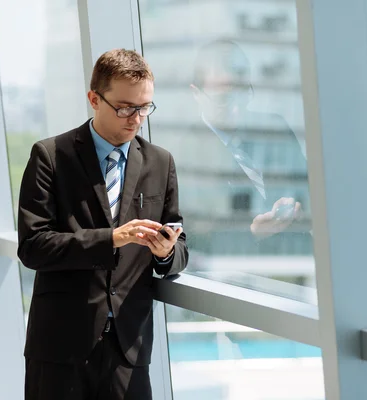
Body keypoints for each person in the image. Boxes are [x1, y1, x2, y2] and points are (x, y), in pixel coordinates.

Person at [17, 49, 188, 400]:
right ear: (94, 98)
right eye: (125, 107)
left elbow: (180, 249)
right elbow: (33, 246)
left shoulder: (160, 162)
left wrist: (166, 253)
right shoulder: (50, 156)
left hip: (129, 349)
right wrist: (111, 239)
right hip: (60, 348)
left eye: (145, 108)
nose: (136, 118)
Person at [189, 39, 311, 254]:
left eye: (242, 92)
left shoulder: (275, 129)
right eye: (224, 98)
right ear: (196, 94)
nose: (237, 109)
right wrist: (252, 234)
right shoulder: (184, 156)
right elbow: (194, 241)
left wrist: (300, 210)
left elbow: (310, 190)